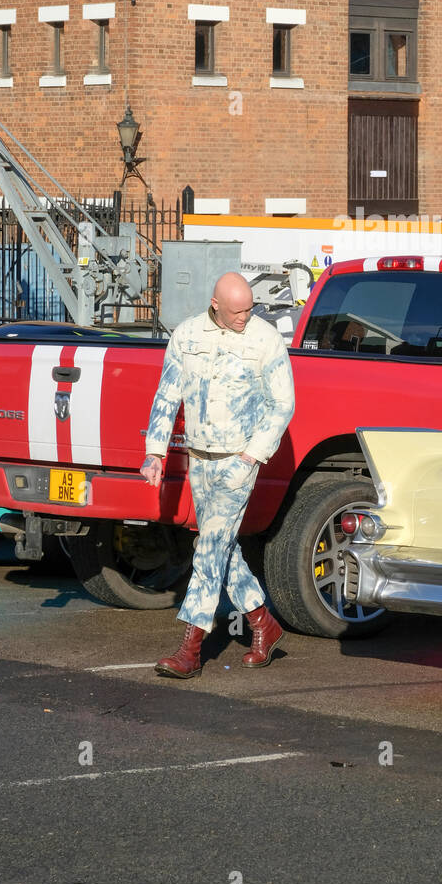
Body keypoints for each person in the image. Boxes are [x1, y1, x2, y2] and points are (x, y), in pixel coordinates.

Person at [141, 272, 295, 678]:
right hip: (200, 459)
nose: (246, 316)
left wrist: (251, 456)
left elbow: (283, 405)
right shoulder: (188, 336)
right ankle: (264, 622)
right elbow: (167, 393)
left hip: (237, 463)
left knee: (209, 549)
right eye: (237, 311)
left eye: (250, 308)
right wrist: (155, 452)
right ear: (215, 305)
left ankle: (190, 649)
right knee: (220, 547)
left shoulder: (265, 339)